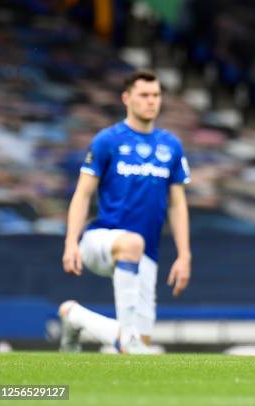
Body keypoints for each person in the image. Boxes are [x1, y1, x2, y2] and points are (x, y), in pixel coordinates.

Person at [59, 70, 192, 354]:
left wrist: (184, 254)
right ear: (126, 98)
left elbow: (178, 203)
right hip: (101, 240)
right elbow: (82, 194)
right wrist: (71, 242)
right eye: (144, 95)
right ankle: (125, 338)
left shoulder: (171, 145)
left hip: (147, 252)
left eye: (155, 95)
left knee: (139, 350)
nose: (151, 101)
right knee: (132, 242)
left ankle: (74, 316)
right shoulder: (108, 141)